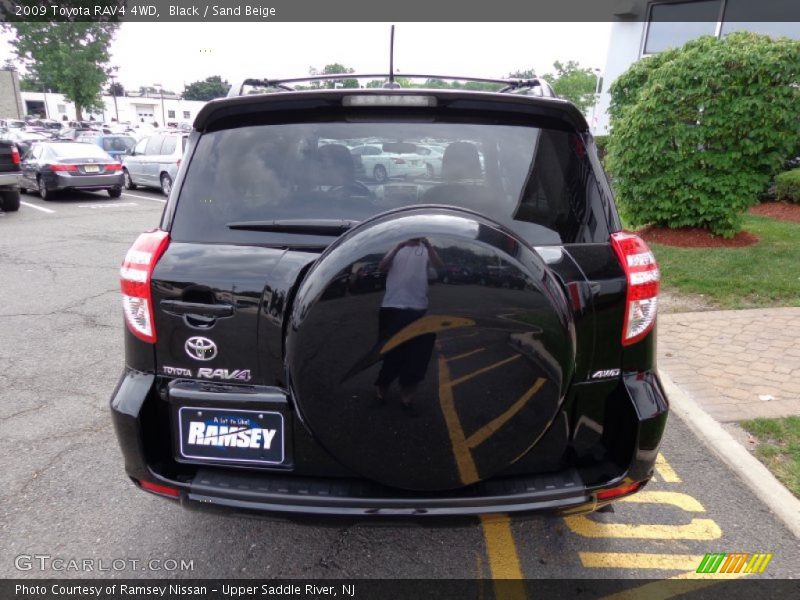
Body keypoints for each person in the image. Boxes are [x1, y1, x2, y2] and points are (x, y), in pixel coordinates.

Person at [374, 237, 444, 412]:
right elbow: (381, 267)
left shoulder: (426, 249)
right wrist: (398, 246)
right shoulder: (396, 247)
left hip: (418, 308)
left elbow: (439, 267)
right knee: (391, 352)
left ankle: (407, 398)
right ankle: (381, 389)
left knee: (418, 355)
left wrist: (428, 245)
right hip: (392, 306)